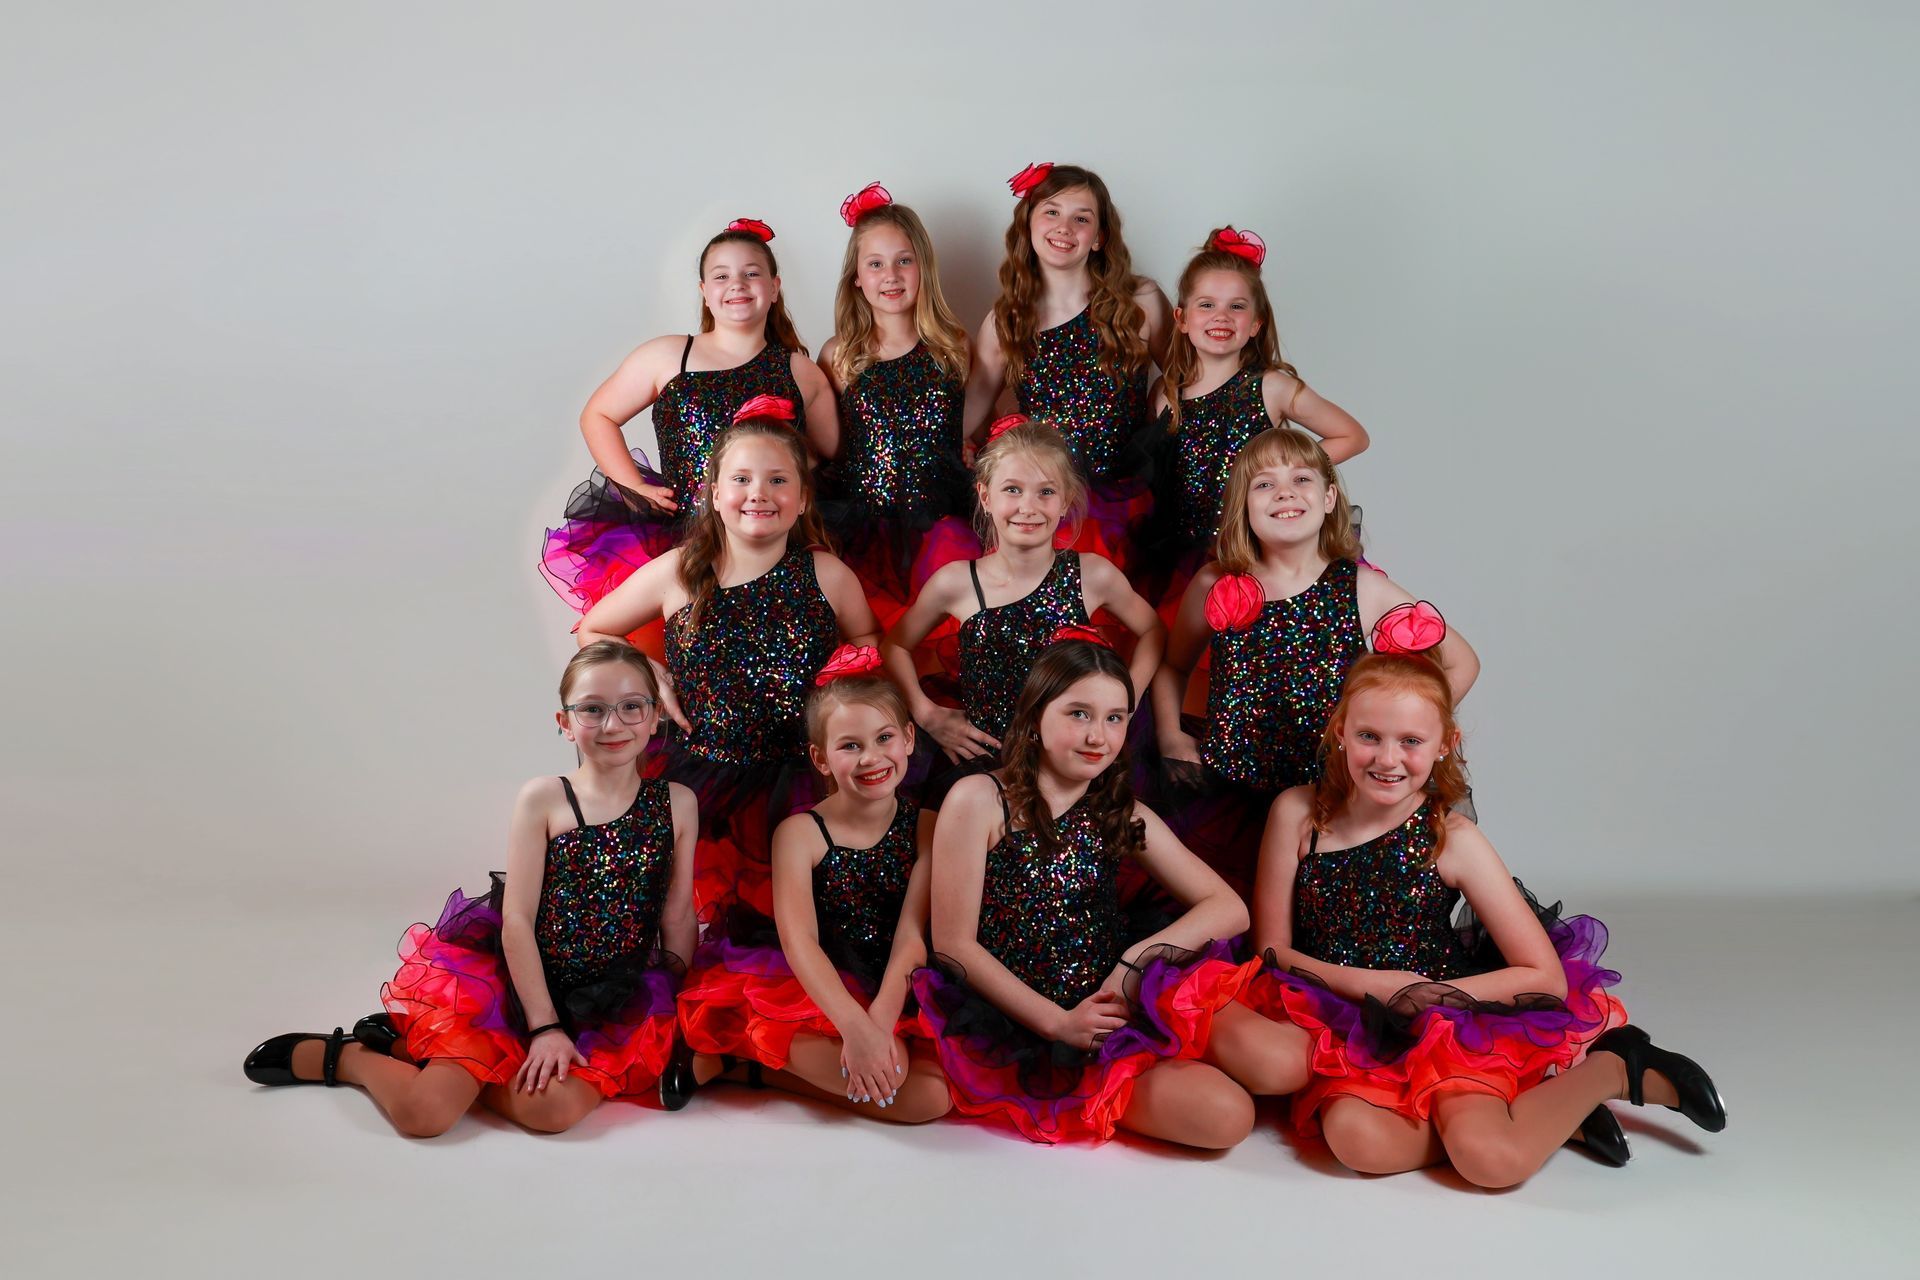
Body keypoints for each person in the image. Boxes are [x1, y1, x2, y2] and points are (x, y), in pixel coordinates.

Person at [1238, 652, 1725, 1185]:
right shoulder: (1298, 813)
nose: (1387, 758)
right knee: (1359, 1145)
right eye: (1368, 736)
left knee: (1489, 1162)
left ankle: (1613, 1069)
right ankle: (1546, 1112)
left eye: (1411, 741)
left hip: (1445, 1019)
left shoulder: (1452, 838)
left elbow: (1545, 978)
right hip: (1341, 1018)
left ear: (1445, 743)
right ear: (1340, 732)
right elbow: (1271, 950)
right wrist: (1373, 986)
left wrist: (1426, 995)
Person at [242, 641, 696, 1137]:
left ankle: (417, 1051)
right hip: (516, 987)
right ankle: (350, 1057)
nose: (613, 724)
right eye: (592, 709)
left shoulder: (677, 803)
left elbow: (676, 915)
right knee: (425, 1115)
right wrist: (544, 1026)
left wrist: (675, 1013)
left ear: (656, 715)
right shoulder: (545, 798)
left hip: (611, 998)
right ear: (565, 722)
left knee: (553, 1113)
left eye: (631, 706)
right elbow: (517, 919)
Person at [913, 638, 1287, 1148]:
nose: (1098, 736)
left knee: (1279, 1065)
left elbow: (1229, 909)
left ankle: (1176, 1046)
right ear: (1035, 717)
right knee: (1228, 1118)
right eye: (1079, 714)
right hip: (1030, 1013)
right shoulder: (979, 799)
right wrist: (1059, 1024)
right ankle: (1144, 1066)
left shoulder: (1118, 811)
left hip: (1113, 987)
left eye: (1114, 719)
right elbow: (953, 945)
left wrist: (1135, 962)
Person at [578, 408, 880, 919]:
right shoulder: (680, 571)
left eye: (778, 480)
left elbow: (867, 637)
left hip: (803, 775)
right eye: (741, 479)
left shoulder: (827, 574)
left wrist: (847, 679)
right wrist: (649, 673)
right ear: (715, 495)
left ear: (803, 498)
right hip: (703, 776)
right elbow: (595, 628)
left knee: (803, 912)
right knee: (697, 913)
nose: (759, 493)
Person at [1150, 427, 1477, 894]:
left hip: (1328, 797)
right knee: (1233, 917)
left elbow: (1462, 661)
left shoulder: (1361, 589)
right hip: (1229, 791)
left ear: (1328, 499)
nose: (1284, 493)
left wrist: (1394, 729)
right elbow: (1172, 667)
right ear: (1243, 505)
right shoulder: (1214, 584)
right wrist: (1170, 735)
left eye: (1301, 479)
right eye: (1264, 484)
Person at [667, 648, 950, 1122]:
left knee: (933, 1098)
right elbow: (801, 942)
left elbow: (911, 935)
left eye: (884, 738)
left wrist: (877, 1022)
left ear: (908, 738)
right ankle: (745, 1045)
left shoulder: (928, 827)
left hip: (895, 980)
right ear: (820, 759)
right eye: (850, 746)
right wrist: (853, 1025)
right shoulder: (800, 833)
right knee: (903, 1082)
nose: (872, 757)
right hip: (819, 980)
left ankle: (751, 1069)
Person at [540, 218, 836, 623]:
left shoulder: (799, 371)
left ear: (774, 287)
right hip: (680, 531)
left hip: (767, 540)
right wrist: (632, 486)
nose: (737, 284)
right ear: (704, 292)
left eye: (751, 273)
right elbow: (598, 415)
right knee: (683, 640)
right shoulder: (668, 355)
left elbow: (827, 453)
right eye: (722, 276)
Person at [881, 417, 1162, 788]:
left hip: (1072, 761)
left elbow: (1153, 629)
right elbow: (895, 645)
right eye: (1012, 490)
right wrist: (926, 713)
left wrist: (1126, 700)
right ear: (986, 497)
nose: (1028, 507)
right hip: (988, 762)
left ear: (1065, 501)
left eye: (1046, 492)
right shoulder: (956, 582)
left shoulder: (1092, 574)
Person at [1144, 225, 1369, 609]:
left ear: (1256, 323)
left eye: (1236, 306)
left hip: (1254, 548)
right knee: (1189, 635)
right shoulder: (1166, 393)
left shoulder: (1271, 386)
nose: (1221, 317)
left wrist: (1283, 475)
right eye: (1207, 305)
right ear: (1181, 318)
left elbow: (1352, 436)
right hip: (1181, 556)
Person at [961, 163, 1170, 566]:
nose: (1064, 227)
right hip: (1045, 504)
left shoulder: (1139, 302)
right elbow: (969, 409)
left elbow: (1187, 381)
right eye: (1052, 212)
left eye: (1082, 219)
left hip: (1124, 497)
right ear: (1028, 224)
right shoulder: (1008, 321)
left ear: (1100, 237)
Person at [815, 183, 971, 628]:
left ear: (924, 267)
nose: (891, 275)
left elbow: (974, 422)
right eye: (875, 264)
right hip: (865, 526)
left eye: (904, 261)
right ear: (856, 277)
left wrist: (972, 444)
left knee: (940, 632)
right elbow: (830, 446)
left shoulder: (953, 347)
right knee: (874, 632)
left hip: (944, 520)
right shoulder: (839, 355)